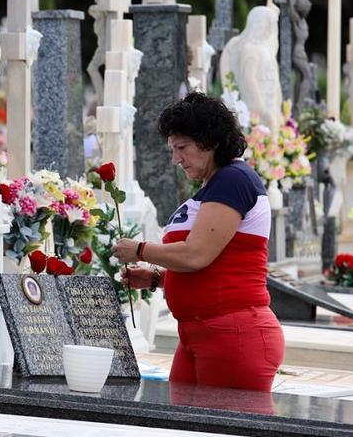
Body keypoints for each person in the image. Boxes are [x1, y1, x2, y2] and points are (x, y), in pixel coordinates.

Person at [112, 92, 284, 391]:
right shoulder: (215, 184)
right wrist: (157, 279)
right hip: (200, 334)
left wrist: (139, 250)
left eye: (182, 147)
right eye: (172, 149)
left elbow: (196, 255)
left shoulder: (233, 179)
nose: (175, 159)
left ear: (211, 141)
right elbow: (217, 265)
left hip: (233, 333)